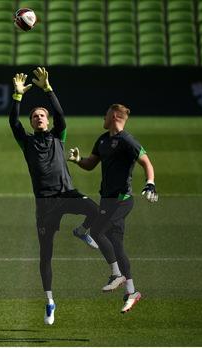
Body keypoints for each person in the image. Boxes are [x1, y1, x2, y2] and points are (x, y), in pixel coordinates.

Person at [10, 68, 100, 325]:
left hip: (67, 193)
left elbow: (61, 116)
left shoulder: (58, 137)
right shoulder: (26, 142)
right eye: (35, 116)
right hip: (45, 203)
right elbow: (12, 123)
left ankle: (83, 231)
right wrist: (17, 97)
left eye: (42, 115)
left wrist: (48, 90)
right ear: (32, 123)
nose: (39, 118)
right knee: (45, 254)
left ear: (47, 121)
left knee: (95, 210)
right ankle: (50, 301)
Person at [67, 103, 158, 313]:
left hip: (122, 200)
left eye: (106, 113)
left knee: (97, 231)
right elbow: (91, 164)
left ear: (115, 116)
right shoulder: (102, 140)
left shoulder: (127, 140)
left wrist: (150, 183)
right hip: (107, 200)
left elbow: (146, 162)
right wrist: (78, 160)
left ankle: (117, 274)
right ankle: (132, 292)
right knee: (116, 244)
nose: (103, 116)